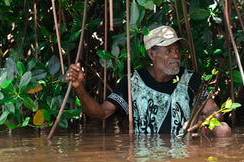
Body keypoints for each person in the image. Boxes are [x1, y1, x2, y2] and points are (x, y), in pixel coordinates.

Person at [66, 25, 230, 137]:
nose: (176, 56)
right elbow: (101, 114)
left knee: (223, 130)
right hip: (145, 151)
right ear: (152, 54)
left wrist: (201, 121)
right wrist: (79, 88)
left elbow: (216, 113)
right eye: (169, 51)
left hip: (184, 149)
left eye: (177, 51)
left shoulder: (191, 78)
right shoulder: (132, 82)